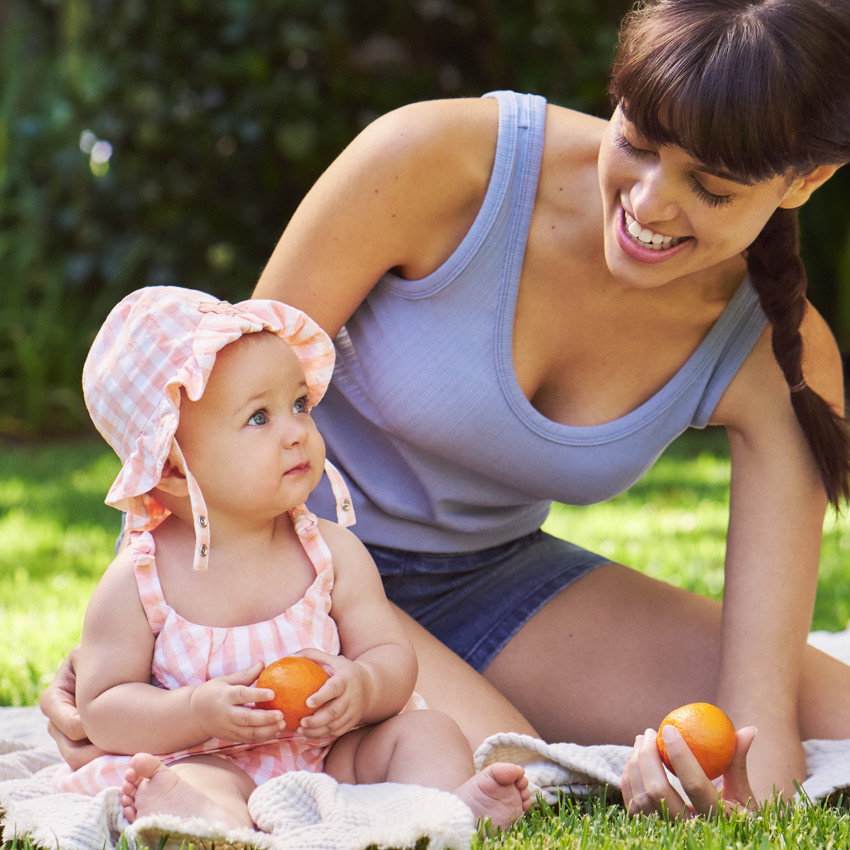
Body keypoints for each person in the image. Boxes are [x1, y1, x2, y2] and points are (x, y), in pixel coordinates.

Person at [42, 0, 850, 819]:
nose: (647, 202)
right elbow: (212, 412)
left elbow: (758, 724)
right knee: (497, 767)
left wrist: (730, 799)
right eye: (636, 141)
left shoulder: (779, 353)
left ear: (808, 181)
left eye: (709, 188)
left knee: (840, 715)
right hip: (288, 567)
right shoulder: (440, 160)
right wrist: (140, 646)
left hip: (493, 582)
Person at [53, 285, 531, 833]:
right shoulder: (140, 580)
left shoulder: (329, 551)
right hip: (209, 755)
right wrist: (195, 712)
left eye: (300, 404)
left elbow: (389, 654)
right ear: (173, 469)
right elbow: (104, 709)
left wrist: (364, 686)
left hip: (332, 757)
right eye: (259, 417)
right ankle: (210, 823)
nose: (297, 432)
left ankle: (445, 808)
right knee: (189, 779)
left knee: (430, 731)